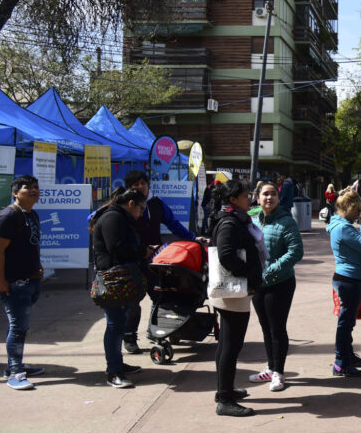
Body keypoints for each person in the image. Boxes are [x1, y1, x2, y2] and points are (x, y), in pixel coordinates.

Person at [122, 169, 196, 355]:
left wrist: (194, 239)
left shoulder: (156, 204)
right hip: (132, 260)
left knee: (160, 297)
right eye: (136, 185)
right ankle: (129, 337)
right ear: (129, 188)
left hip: (156, 260)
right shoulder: (123, 206)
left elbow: (174, 224)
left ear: (148, 186)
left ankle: (156, 332)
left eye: (143, 183)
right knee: (133, 302)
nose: (141, 187)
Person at [209, 179, 265, 416]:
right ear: (232, 199)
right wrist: (249, 273)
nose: (249, 198)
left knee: (227, 344)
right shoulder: (229, 222)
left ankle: (225, 390)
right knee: (231, 346)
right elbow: (226, 256)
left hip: (234, 291)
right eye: (245, 195)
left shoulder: (235, 218)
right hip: (232, 292)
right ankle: (225, 399)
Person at [91, 188, 152, 389]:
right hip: (113, 279)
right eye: (141, 209)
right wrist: (142, 251)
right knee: (115, 325)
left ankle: (117, 363)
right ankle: (114, 371)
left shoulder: (120, 217)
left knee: (119, 323)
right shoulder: (113, 217)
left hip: (121, 279)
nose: (141, 214)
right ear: (131, 203)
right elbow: (116, 247)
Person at [248, 180, 304, 391]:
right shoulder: (252, 220)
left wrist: (271, 270)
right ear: (258, 198)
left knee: (277, 328)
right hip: (258, 283)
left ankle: (279, 372)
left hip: (280, 282)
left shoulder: (287, 221)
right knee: (265, 327)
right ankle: (271, 368)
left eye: (273, 194)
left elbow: (296, 252)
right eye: (265, 194)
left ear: (279, 198)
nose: (269, 197)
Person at [0, 175, 45, 390]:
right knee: (18, 327)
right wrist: (0, 279)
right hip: (14, 282)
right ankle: (15, 372)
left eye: (35, 187)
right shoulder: (8, 216)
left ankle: (14, 364)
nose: (33, 191)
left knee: (19, 325)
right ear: (15, 193)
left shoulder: (32, 214)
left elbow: (32, 244)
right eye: (27, 188)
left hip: (31, 279)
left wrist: (38, 266)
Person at [327, 190, 361, 377]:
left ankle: (347, 356)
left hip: (350, 279)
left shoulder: (341, 225)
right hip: (349, 280)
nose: (359, 214)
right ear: (347, 207)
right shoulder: (343, 228)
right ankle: (341, 362)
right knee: (345, 324)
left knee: (347, 322)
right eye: (357, 210)